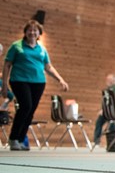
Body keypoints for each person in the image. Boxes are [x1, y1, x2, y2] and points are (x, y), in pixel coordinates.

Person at [1, 20, 69, 151]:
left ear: (39, 34)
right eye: (29, 30)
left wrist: (60, 79)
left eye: (35, 30)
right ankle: (13, 138)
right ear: (25, 32)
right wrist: (4, 84)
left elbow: (48, 67)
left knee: (30, 110)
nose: (32, 32)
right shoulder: (17, 46)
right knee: (26, 106)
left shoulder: (42, 50)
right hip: (19, 80)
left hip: (38, 82)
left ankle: (21, 140)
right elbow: (7, 65)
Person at [93, 73, 115, 147]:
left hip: (111, 112)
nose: (107, 81)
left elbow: (114, 100)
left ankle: (112, 142)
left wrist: (104, 110)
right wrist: (102, 109)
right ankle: (97, 142)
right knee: (99, 123)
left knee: (111, 125)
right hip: (106, 112)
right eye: (107, 79)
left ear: (113, 80)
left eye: (109, 79)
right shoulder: (107, 89)